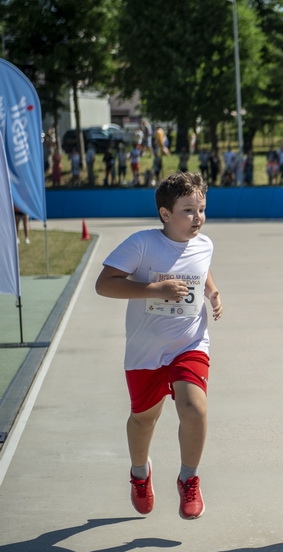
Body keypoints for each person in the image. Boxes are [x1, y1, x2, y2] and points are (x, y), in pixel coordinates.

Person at [95, 172, 223, 521]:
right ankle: (140, 474)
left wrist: (212, 291)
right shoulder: (142, 244)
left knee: (195, 409)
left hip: (189, 342)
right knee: (144, 419)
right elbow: (104, 284)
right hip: (145, 350)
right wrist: (154, 290)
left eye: (201, 209)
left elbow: (201, 267)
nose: (197, 218)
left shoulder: (205, 243)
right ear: (166, 214)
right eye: (188, 210)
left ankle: (188, 478)